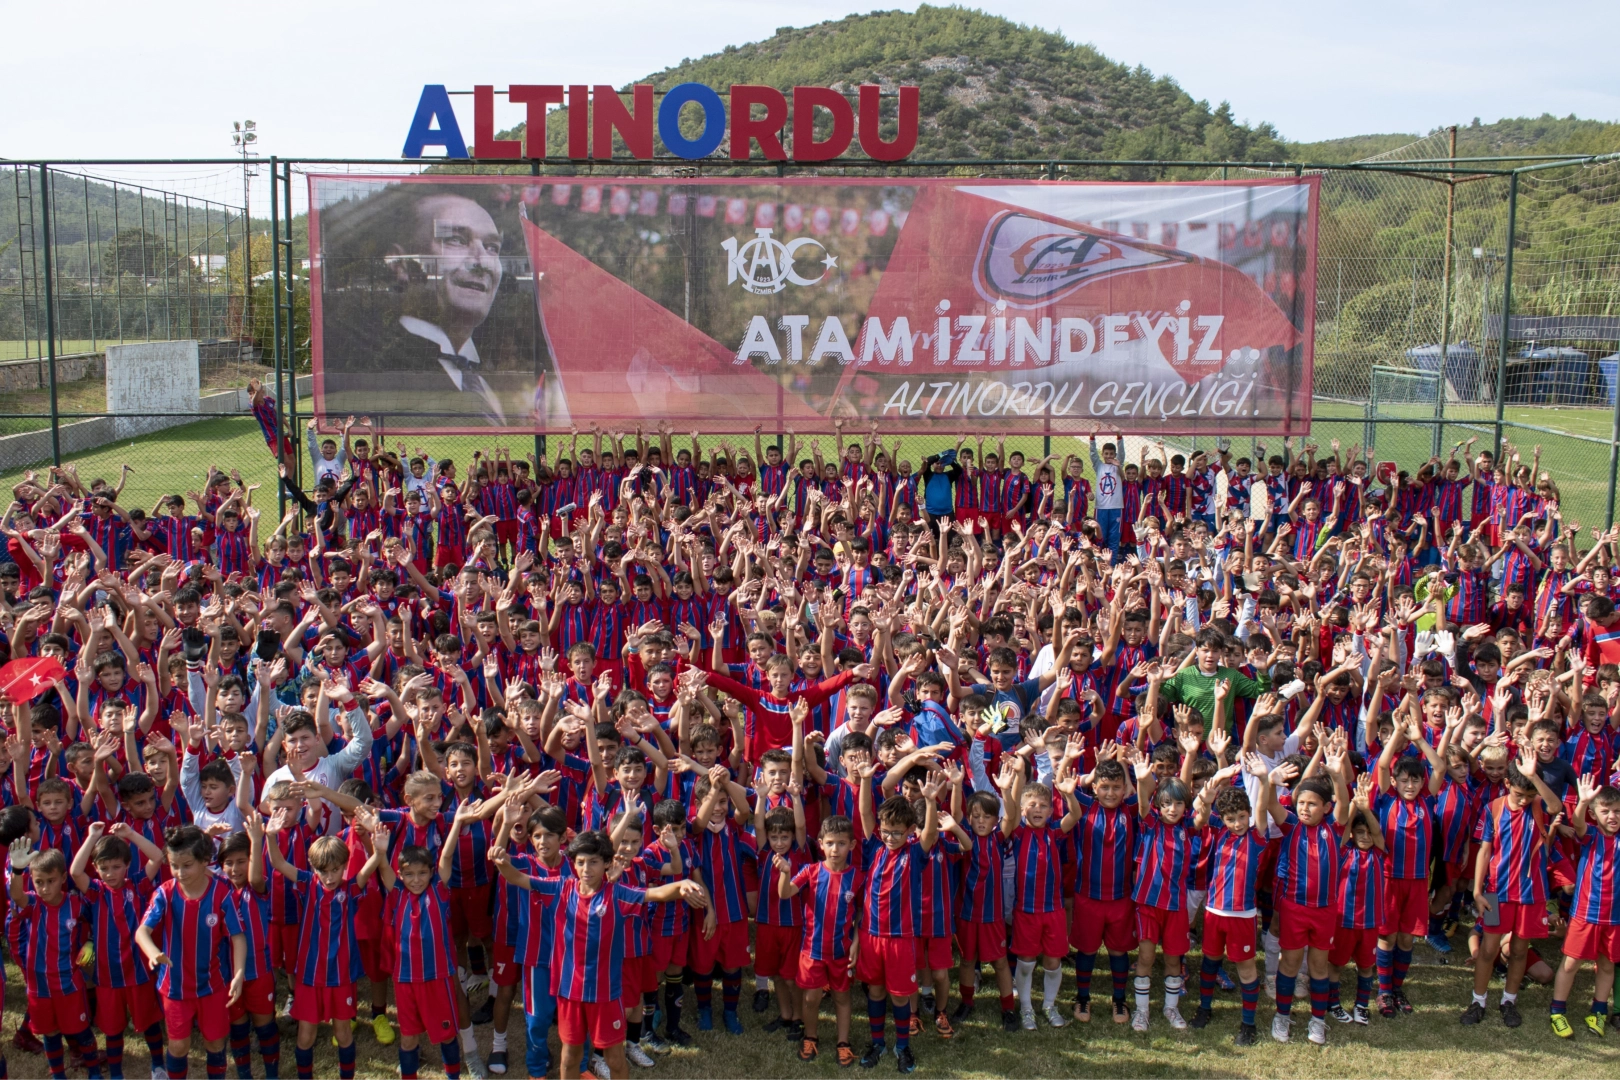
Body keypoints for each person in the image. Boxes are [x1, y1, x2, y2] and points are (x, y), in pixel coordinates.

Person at [489, 832, 708, 1080]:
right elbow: (517, 877)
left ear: (606, 863)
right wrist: (501, 862)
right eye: (580, 862)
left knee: (614, 1059)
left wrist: (681, 885)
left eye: (593, 862)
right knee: (570, 1056)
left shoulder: (616, 893)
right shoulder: (560, 888)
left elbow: (653, 894)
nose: (586, 868)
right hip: (570, 994)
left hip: (606, 994)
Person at [134, 826, 248, 1080]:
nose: (179, 872)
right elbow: (142, 931)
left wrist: (238, 973)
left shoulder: (222, 893)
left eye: (186, 865)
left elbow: (238, 937)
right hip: (175, 987)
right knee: (177, 1046)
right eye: (174, 865)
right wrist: (153, 952)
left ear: (205, 861)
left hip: (212, 986)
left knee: (216, 1044)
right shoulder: (164, 892)